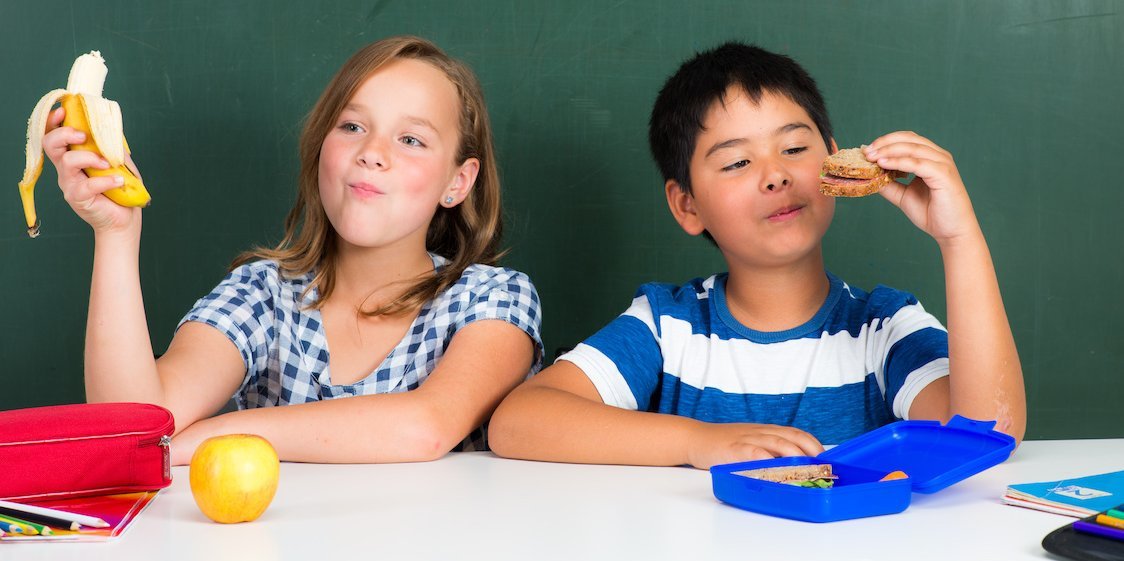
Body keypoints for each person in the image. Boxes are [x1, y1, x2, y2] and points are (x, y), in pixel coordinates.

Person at [488, 42, 1025, 469]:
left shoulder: (883, 328)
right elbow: (518, 420)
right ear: (687, 205)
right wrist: (700, 442)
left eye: (794, 148)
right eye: (737, 162)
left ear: (836, 163)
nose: (776, 174)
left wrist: (960, 240)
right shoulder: (666, 327)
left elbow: (988, 434)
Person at [42, 36, 542, 465]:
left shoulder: (494, 299)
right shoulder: (263, 294)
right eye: (352, 127)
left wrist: (206, 437)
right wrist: (116, 234)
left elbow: (426, 426)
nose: (372, 152)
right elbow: (133, 424)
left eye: (411, 139)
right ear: (320, 146)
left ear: (457, 182)